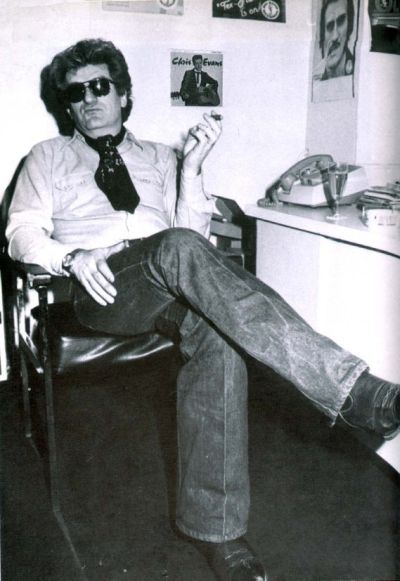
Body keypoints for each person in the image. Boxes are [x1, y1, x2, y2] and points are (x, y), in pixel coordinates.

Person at [6, 38, 400, 581]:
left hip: (169, 277)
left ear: (124, 95)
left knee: (216, 332)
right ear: (67, 107)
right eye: (76, 93)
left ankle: (216, 530)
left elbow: (191, 241)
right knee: (175, 248)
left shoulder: (161, 158)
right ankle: (352, 391)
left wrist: (191, 169)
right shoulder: (46, 158)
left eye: (100, 86)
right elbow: (21, 233)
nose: (90, 99)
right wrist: (72, 257)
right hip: (102, 286)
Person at [316, 0, 355, 80]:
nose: (335, 36)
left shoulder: (360, 70)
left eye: (341, 21)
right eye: (330, 26)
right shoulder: (316, 77)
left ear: (349, 25)